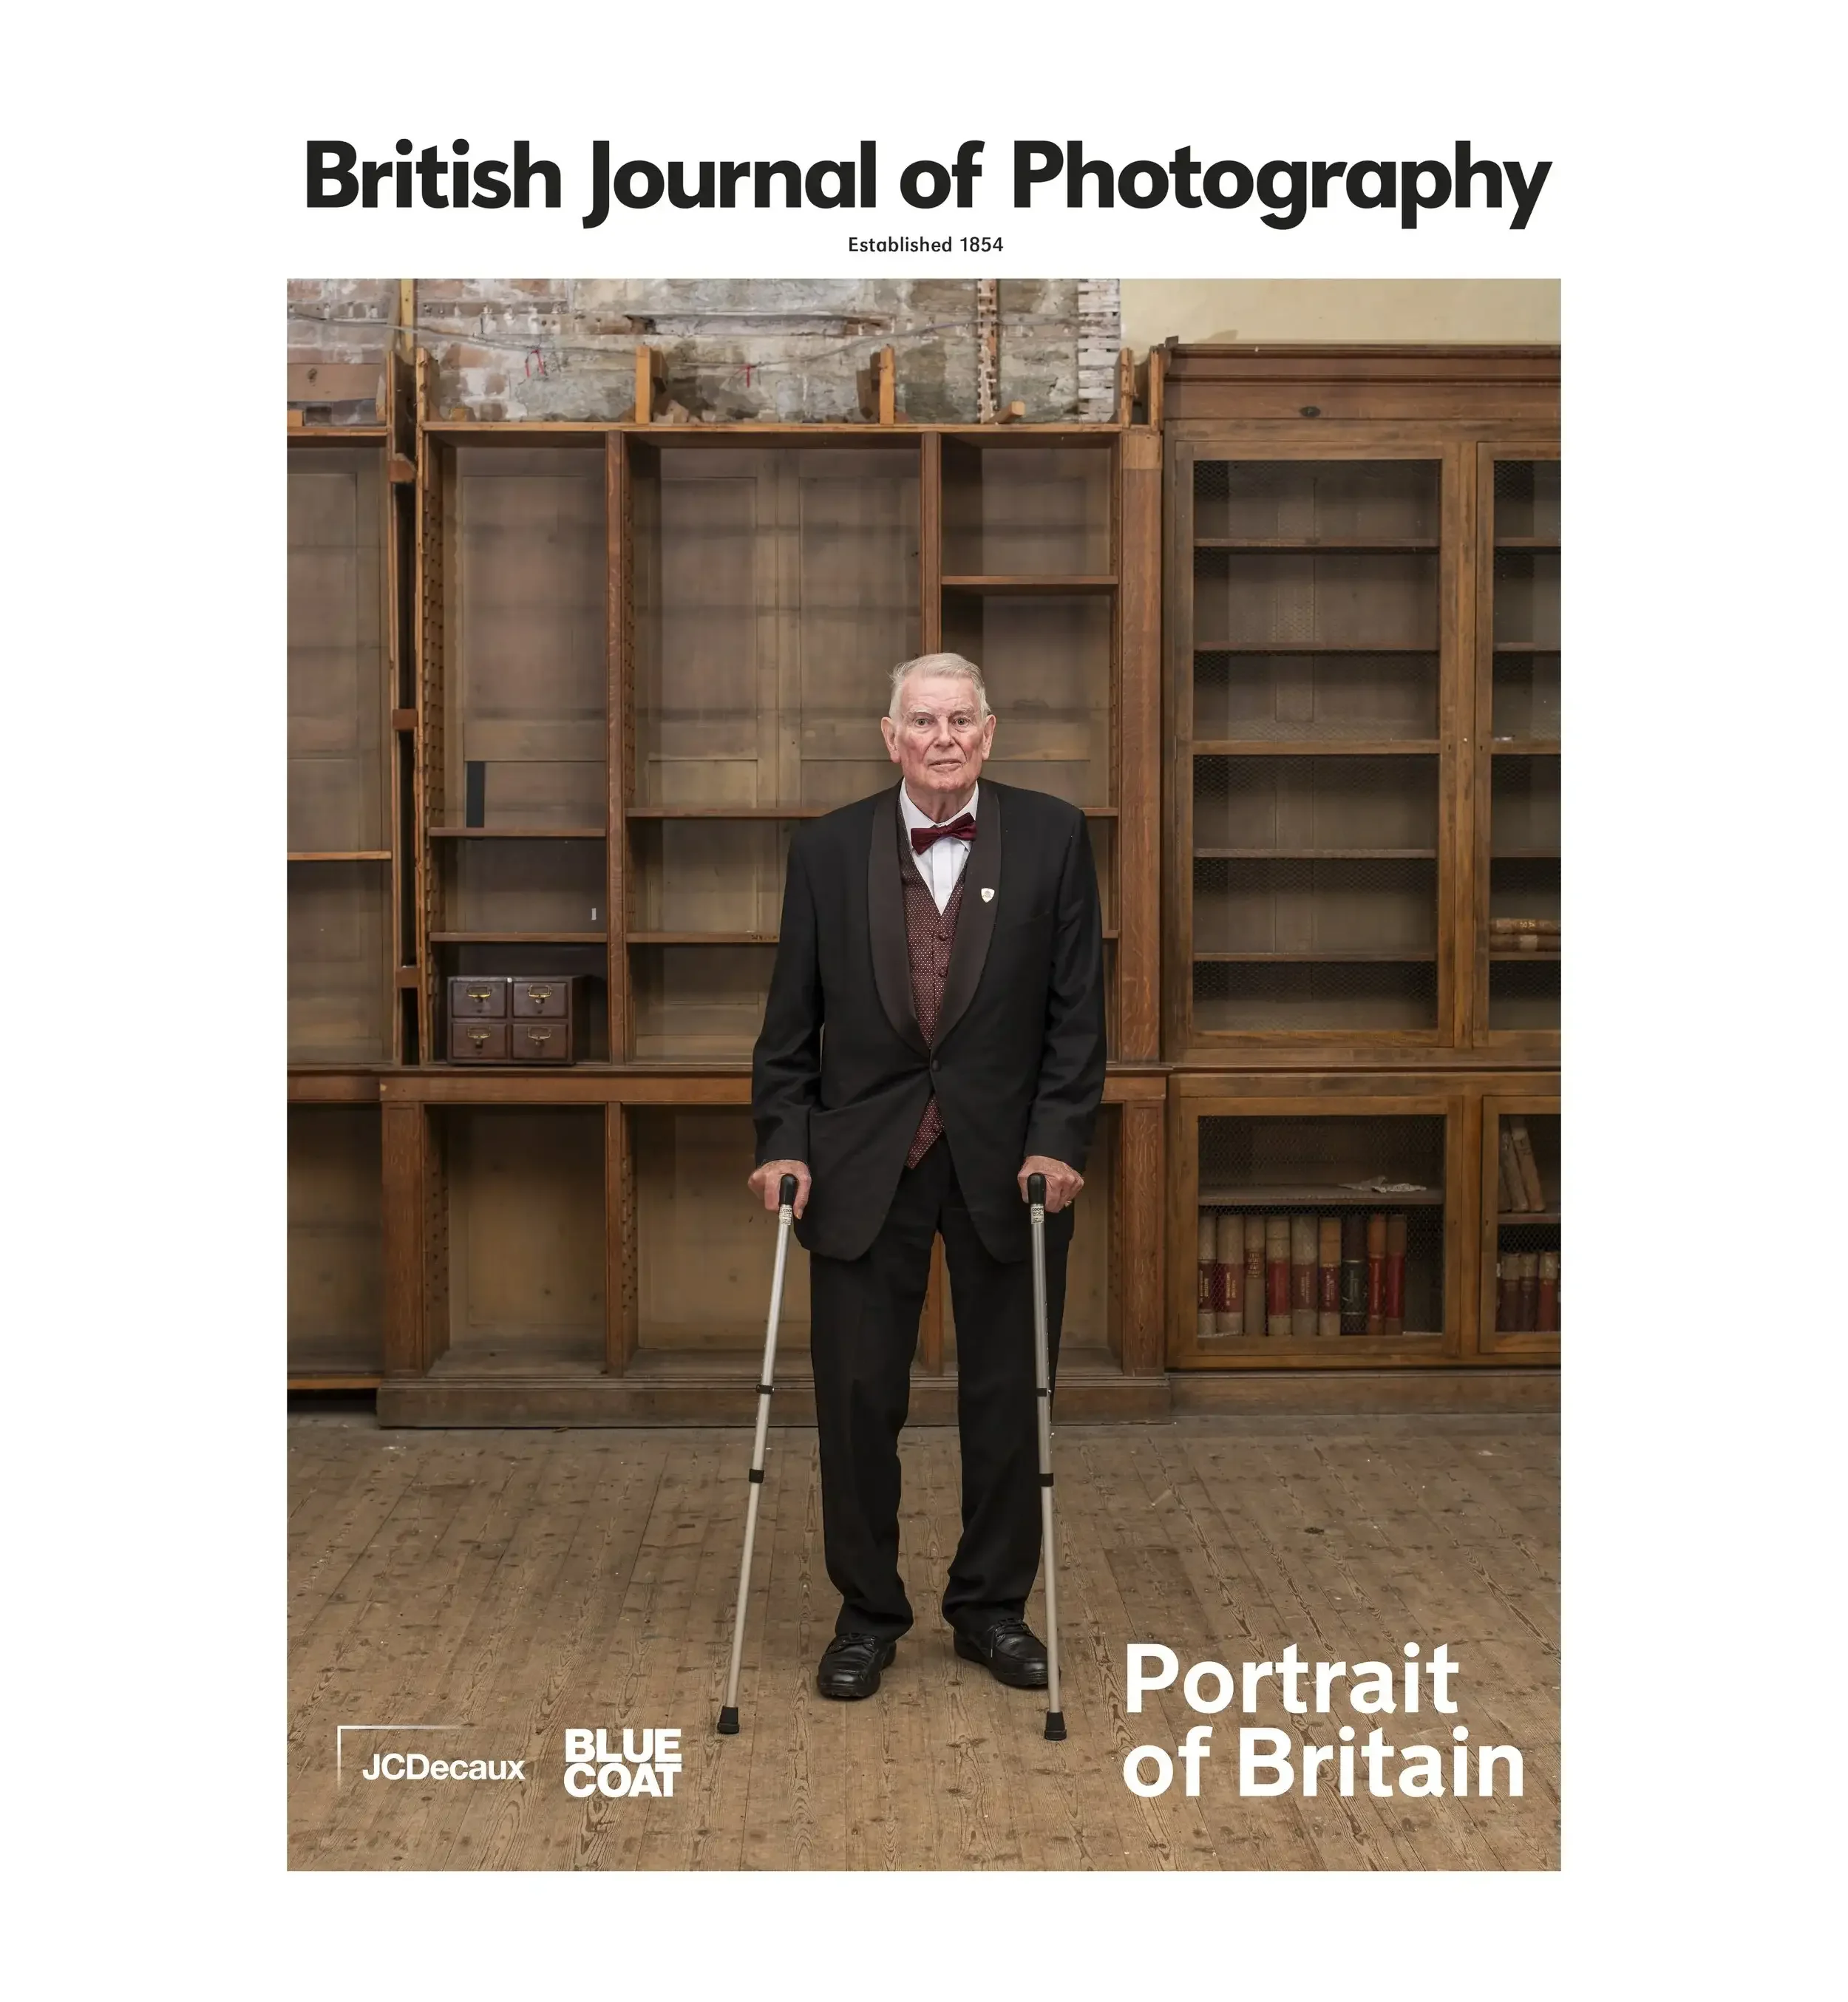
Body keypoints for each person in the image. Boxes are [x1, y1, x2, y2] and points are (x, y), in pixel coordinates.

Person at [748, 651, 1107, 1701]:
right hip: (863, 1162)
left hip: (1014, 1163)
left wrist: (1061, 1141)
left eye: (960, 721)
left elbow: (1078, 1015)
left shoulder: (1053, 836)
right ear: (890, 736)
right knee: (858, 1400)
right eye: (923, 721)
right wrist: (782, 1141)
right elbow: (789, 1023)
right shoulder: (827, 850)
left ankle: (992, 1609)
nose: (942, 739)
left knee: (1010, 1400)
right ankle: (867, 1613)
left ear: (988, 734)